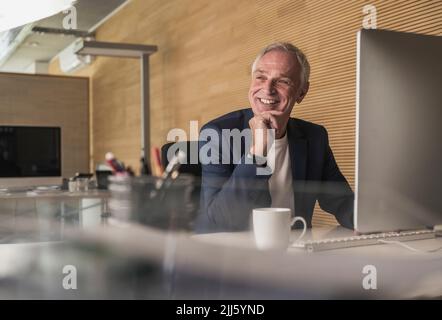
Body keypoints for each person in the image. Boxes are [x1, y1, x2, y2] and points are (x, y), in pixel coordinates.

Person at [197, 42, 354, 232]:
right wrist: (257, 153)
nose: (268, 88)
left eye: (283, 81)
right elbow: (222, 219)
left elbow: (342, 202)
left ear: (302, 92)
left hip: (292, 253)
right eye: (260, 77)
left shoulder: (315, 137)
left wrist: (374, 221)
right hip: (230, 255)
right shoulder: (216, 134)